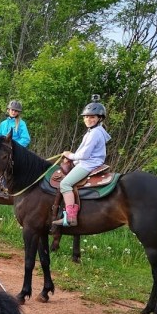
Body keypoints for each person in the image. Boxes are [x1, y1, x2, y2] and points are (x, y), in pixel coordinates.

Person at [52, 95, 111, 227]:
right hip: (89, 162)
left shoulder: (95, 133)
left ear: (99, 118)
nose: (88, 119)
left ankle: (71, 217)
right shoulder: (95, 131)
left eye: (92, 117)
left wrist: (70, 155)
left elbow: (84, 154)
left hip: (88, 164)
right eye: (86, 117)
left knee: (65, 184)